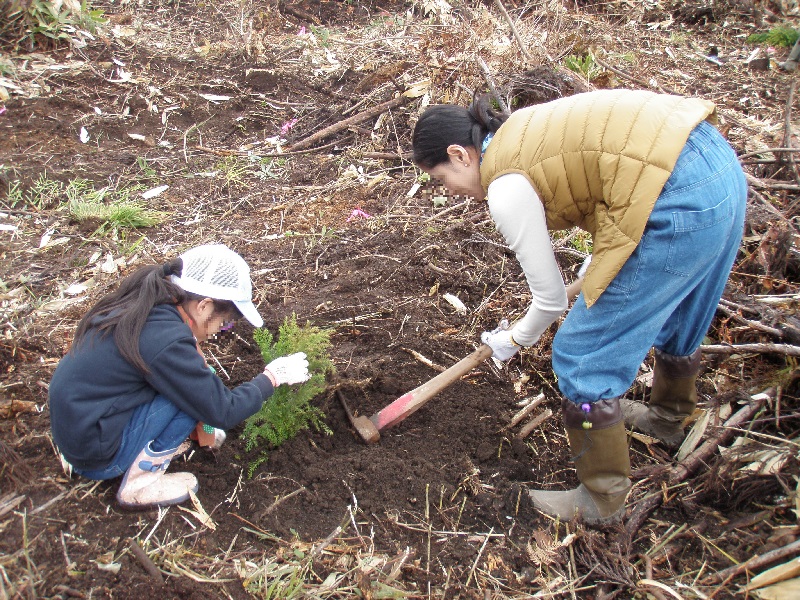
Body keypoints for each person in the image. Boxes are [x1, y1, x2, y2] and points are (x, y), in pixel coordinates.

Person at [412, 89, 747, 524]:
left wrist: (512, 340)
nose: (451, 192)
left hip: (676, 197)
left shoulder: (505, 185)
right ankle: (668, 417)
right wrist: (603, 252)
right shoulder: (520, 132)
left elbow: (549, 301)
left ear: (459, 155)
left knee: (581, 357)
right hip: (713, 163)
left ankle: (601, 500)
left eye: (441, 180)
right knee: (682, 309)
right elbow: (606, 170)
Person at [49, 244, 310, 509]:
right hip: (95, 453)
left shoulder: (150, 303)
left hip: (80, 428)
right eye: (225, 323)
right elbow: (222, 411)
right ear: (204, 306)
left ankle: (137, 447)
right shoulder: (166, 341)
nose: (221, 330)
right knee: (191, 398)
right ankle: (140, 484)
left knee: (193, 385)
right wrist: (272, 378)